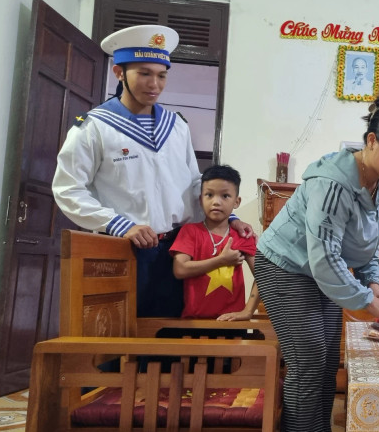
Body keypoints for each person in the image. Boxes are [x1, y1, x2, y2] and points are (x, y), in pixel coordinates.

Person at [52, 25, 252, 318]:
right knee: (117, 338)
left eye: (161, 75)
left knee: (170, 335)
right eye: (144, 73)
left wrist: (228, 216)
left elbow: (194, 183)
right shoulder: (95, 127)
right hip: (122, 250)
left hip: (177, 249)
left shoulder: (177, 126)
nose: (154, 84)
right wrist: (121, 225)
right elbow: (68, 190)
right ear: (119, 73)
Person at [254, 90, 379, 431]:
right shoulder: (333, 183)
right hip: (284, 267)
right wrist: (368, 303)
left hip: (320, 271)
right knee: (309, 363)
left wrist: (373, 284)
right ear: (372, 141)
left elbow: (368, 243)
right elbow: (326, 257)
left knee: (329, 362)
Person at [170, 164, 260, 321]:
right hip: (193, 323)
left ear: (237, 202)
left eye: (225, 196)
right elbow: (180, 269)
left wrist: (248, 311)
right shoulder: (190, 232)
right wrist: (221, 261)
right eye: (209, 195)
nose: (216, 202)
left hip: (232, 323)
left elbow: (263, 276)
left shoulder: (242, 235)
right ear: (200, 199)